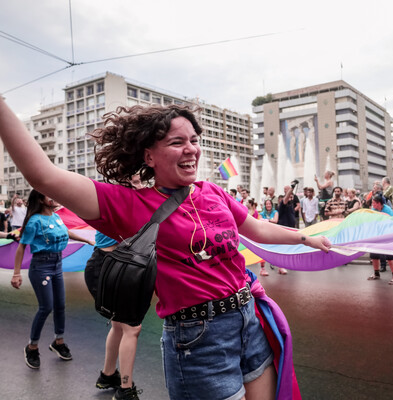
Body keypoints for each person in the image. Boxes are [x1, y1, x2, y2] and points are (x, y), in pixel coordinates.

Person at [0, 100, 331, 400]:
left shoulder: (213, 192)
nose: (191, 150)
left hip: (249, 322)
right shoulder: (130, 205)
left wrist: (305, 238)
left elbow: (257, 229)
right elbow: (43, 175)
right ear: (149, 156)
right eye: (177, 142)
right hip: (199, 341)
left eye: (194, 140)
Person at [11, 190, 94, 370]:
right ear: (41, 200)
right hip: (41, 267)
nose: (54, 197)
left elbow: (67, 232)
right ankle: (32, 347)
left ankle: (59, 342)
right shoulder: (34, 221)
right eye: (49, 195)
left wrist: (87, 241)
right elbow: (21, 247)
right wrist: (16, 274)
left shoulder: (56, 217)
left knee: (60, 305)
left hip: (57, 264)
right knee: (46, 307)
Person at [84, 176, 144, 397]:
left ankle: (107, 375)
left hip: (116, 268)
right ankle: (126, 390)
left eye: (141, 182)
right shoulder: (115, 198)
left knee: (120, 326)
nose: (139, 186)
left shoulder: (132, 199)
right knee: (132, 328)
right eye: (134, 182)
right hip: (105, 269)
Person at [367, 195, 393, 285]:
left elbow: (391, 222)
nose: (372, 204)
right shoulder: (374, 210)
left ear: (379, 203)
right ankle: (376, 273)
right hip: (377, 234)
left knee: (390, 255)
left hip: (389, 234)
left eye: (374, 203)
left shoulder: (388, 210)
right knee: (374, 254)